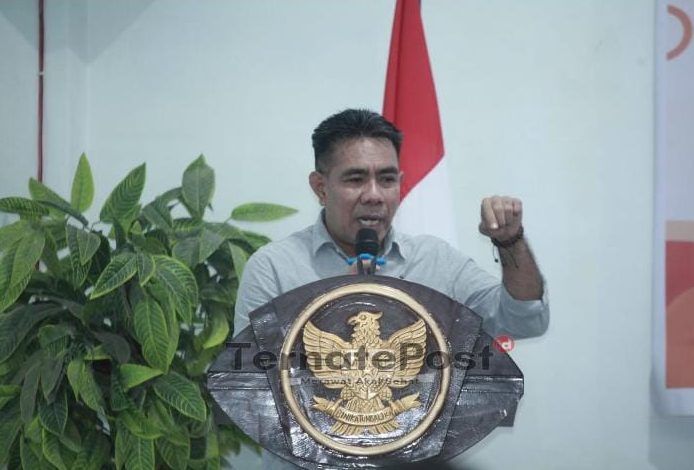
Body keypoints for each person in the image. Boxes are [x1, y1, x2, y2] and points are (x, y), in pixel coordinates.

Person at [232, 108, 549, 469]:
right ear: (320, 187)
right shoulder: (273, 267)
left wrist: (510, 242)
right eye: (355, 179)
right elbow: (251, 390)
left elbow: (525, 319)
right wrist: (336, 309)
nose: (374, 195)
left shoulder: (436, 261)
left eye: (386, 179)